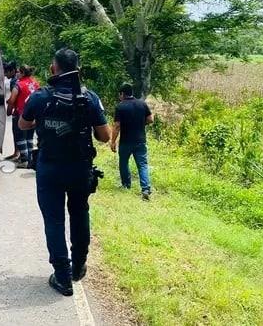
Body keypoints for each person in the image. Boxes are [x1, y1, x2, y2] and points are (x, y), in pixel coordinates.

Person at [19, 48, 110, 296]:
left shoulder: (40, 97)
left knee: (54, 220)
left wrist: (47, 121)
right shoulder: (90, 98)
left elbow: (23, 123)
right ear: (78, 70)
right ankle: (78, 266)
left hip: (50, 168)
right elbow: (105, 137)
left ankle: (62, 277)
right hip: (80, 168)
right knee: (80, 212)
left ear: (53, 69)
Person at [110, 83, 154, 200]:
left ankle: (126, 185)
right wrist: (140, 123)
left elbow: (117, 126)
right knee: (142, 165)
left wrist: (113, 141)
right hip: (140, 140)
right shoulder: (142, 104)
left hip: (125, 141)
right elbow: (150, 119)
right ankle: (145, 188)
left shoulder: (120, 107)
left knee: (123, 163)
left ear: (122, 94)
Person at [9, 65, 39, 168]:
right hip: (34, 114)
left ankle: (24, 159)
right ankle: (30, 159)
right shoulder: (35, 83)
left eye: (18, 72)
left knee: (19, 136)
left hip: (21, 113)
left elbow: (12, 99)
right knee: (30, 137)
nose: (17, 73)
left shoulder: (19, 84)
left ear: (22, 73)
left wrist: (9, 110)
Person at [3, 61, 20, 161]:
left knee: (16, 131)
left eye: (7, 72)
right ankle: (17, 153)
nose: (5, 75)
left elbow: (15, 96)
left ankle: (17, 153)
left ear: (13, 71)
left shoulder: (14, 81)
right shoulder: (19, 77)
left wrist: (9, 105)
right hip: (22, 108)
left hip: (18, 110)